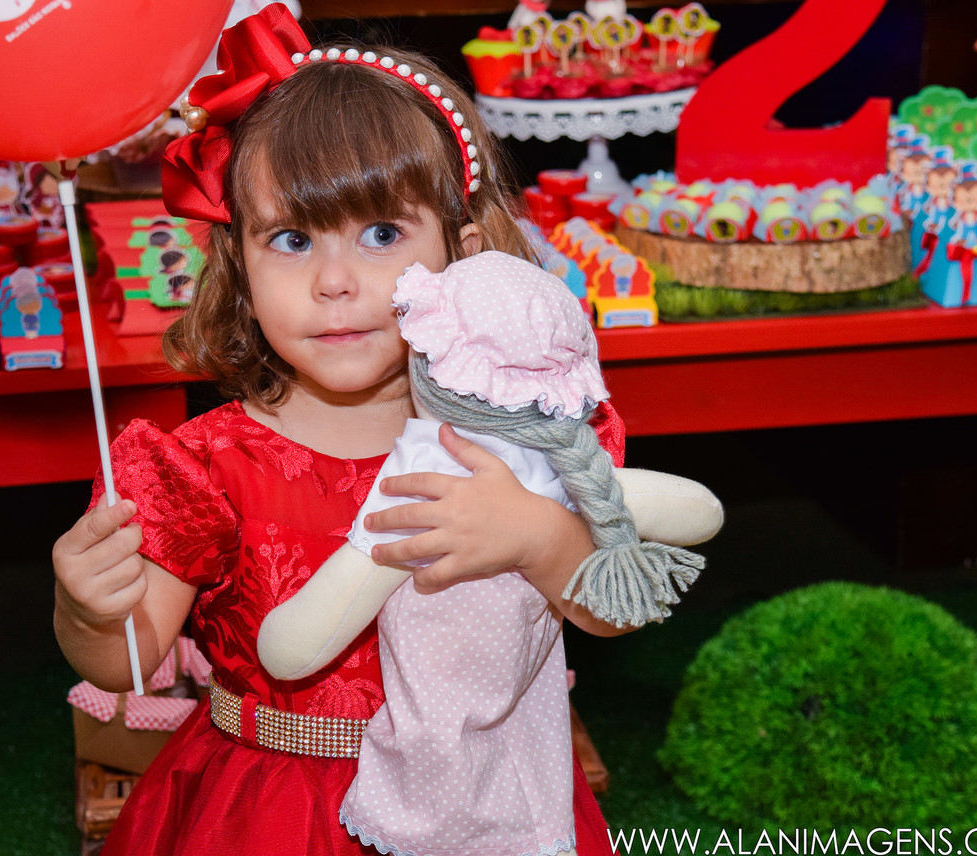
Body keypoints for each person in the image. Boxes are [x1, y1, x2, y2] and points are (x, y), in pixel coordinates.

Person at [53, 6, 632, 854]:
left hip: (485, 799)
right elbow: (126, 666)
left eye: (383, 234)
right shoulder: (203, 465)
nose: (334, 280)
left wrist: (538, 537)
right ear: (241, 271)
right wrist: (87, 612)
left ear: (463, 255)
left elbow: (613, 613)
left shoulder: (525, 435)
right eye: (291, 238)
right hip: (267, 812)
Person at [257, 251, 721, 856]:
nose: (336, 280)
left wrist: (540, 533)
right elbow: (698, 509)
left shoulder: (519, 472)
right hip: (450, 754)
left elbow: (295, 645)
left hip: (505, 741)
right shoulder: (443, 470)